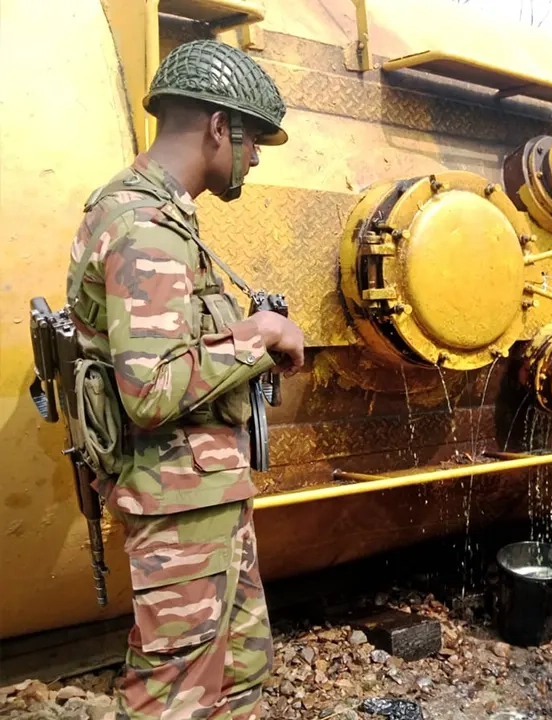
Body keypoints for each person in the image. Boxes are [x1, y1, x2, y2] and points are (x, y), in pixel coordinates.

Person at [65, 39, 305, 719]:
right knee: (175, 699)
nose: (255, 157)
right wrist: (259, 336)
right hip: (176, 512)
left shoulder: (165, 217)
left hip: (200, 502)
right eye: (254, 139)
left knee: (239, 676)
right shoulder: (144, 227)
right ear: (217, 126)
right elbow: (152, 391)